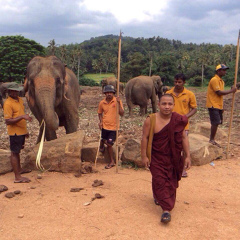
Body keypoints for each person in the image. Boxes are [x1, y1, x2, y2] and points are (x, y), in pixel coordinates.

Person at [141, 94, 191, 223]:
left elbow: (184, 137)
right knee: (159, 179)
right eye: (164, 104)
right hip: (156, 157)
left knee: (169, 181)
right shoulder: (151, 120)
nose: (167, 107)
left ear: (174, 105)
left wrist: (187, 156)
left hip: (173, 158)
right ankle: (166, 210)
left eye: (170, 104)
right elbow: (145, 138)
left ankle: (159, 196)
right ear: (158, 105)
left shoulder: (178, 120)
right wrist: (144, 156)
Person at [166, 73, 197, 177]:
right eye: (175, 81)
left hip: (183, 125)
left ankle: (182, 168)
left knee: (183, 147)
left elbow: (194, 109)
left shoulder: (189, 94)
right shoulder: (168, 93)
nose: (177, 84)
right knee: (169, 146)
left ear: (184, 83)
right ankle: (170, 167)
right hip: (169, 124)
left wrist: (185, 117)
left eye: (179, 82)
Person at [3, 82, 32, 183]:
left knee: (18, 151)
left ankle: (19, 170)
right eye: (12, 91)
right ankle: (17, 177)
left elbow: (20, 114)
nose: (15, 92)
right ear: (9, 92)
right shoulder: (8, 103)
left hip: (21, 131)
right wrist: (22, 117)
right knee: (14, 153)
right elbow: (8, 121)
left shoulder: (19, 100)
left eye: (16, 91)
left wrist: (25, 131)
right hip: (15, 133)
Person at [206, 64, 237, 147]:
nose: (225, 72)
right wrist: (231, 91)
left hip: (218, 105)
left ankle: (213, 139)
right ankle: (211, 139)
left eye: (225, 70)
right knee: (215, 122)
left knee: (218, 122)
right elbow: (219, 92)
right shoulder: (214, 80)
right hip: (213, 104)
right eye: (223, 70)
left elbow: (221, 93)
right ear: (218, 71)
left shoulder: (221, 81)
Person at [98, 85, 124, 169]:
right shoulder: (102, 102)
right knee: (103, 139)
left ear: (113, 93)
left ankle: (112, 161)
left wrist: (119, 103)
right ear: (105, 93)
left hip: (114, 127)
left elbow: (122, 113)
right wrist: (101, 122)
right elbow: (99, 113)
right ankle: (102, 143)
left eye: (111, 92)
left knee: (109, 144)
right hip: (105, 126)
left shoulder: (117, 101)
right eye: (107, 92)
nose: (109, 94)